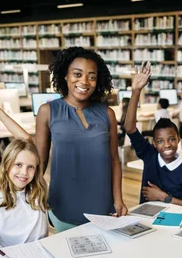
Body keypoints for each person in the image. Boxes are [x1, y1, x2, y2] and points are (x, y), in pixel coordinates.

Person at [35, 46, 127, 231]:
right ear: (66, 76)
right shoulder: (48, 111)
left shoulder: (107, 113)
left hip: (103, 205)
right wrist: (32, 195)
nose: (84, 81)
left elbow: (114, 160)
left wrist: (118, 199)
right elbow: (40, 160)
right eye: (77, 74)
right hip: (63, 204)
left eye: (91, 77)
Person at [124, 62, 182, 209]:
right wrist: (136, 91)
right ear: (154, 143)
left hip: (176, 220)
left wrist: (162, 197)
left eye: (171, 139)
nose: (166, 145)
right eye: (160, 141)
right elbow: (129, 128)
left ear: (179, 139)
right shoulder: (149, 155)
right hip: (147, 217)